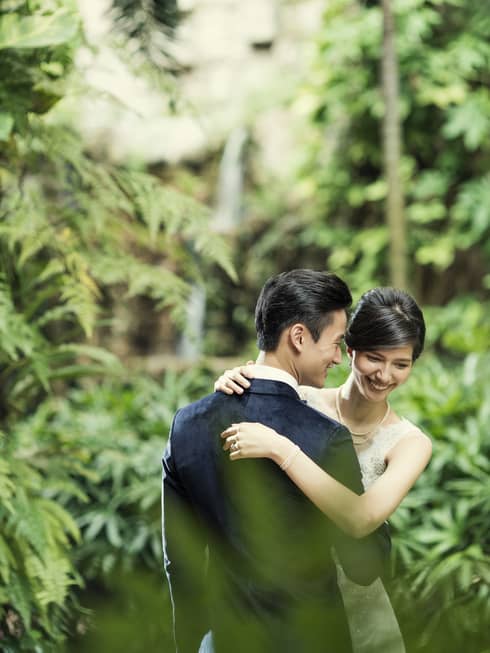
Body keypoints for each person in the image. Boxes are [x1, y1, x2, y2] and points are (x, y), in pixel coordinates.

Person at [162, 270, 391, 653]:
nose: (338, 357)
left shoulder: (186, 425)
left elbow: (180, 564)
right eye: (335, 343)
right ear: (298, 337)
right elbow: (364, 566)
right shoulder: (325, 436)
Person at [215, 287, 432, 653]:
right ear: (349, 350)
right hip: (282, 600)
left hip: (359, 606)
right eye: (374, 358)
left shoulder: (410, 443)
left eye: (401, 364)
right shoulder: (299, 399)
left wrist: (282, 449)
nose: (384, 375)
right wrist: (230, 383)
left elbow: (361, 519)